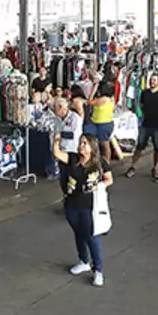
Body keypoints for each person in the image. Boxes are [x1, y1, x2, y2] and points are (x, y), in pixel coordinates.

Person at [52, 132, 112, 287]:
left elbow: (109, 179)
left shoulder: (100, 162)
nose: (81, 145)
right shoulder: (73, 159)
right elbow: (57, 153)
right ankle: (84, 260)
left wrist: (98, 186)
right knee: (78, 233)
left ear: (92, 147)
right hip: (72, 204)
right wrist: (57, 139)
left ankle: (98, 270)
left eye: (85, 143)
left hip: (90, 207)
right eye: (80, 142)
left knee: (91, 236)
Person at [127, 72, 158, 179]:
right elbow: (141, 105)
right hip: (146, 124)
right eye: (151, 79)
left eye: (155, 80)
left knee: (157, 148)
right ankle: (132, 166)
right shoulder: (145, 93)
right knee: (139, 146)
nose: (152, 81)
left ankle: (155, 168)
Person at [53, 97, 83, 197]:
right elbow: (54, 133)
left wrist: (60, 135)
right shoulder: (57, 119)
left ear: (62, 107)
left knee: (73, 177)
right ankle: (66, 196)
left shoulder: (75, 118)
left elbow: (73, 134)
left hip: (72, 152)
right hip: (61, 152)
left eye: (55, 107)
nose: (53, 109)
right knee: (63, 178)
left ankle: (74, 197)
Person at [85, 81, 117, 162]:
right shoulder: (111, 99)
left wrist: (93, 91)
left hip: (102, 124)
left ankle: (105, 163)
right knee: (105, 144)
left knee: (103, 145)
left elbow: (89, 102)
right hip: (107, 123)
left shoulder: (103, 99)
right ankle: (106, 162)